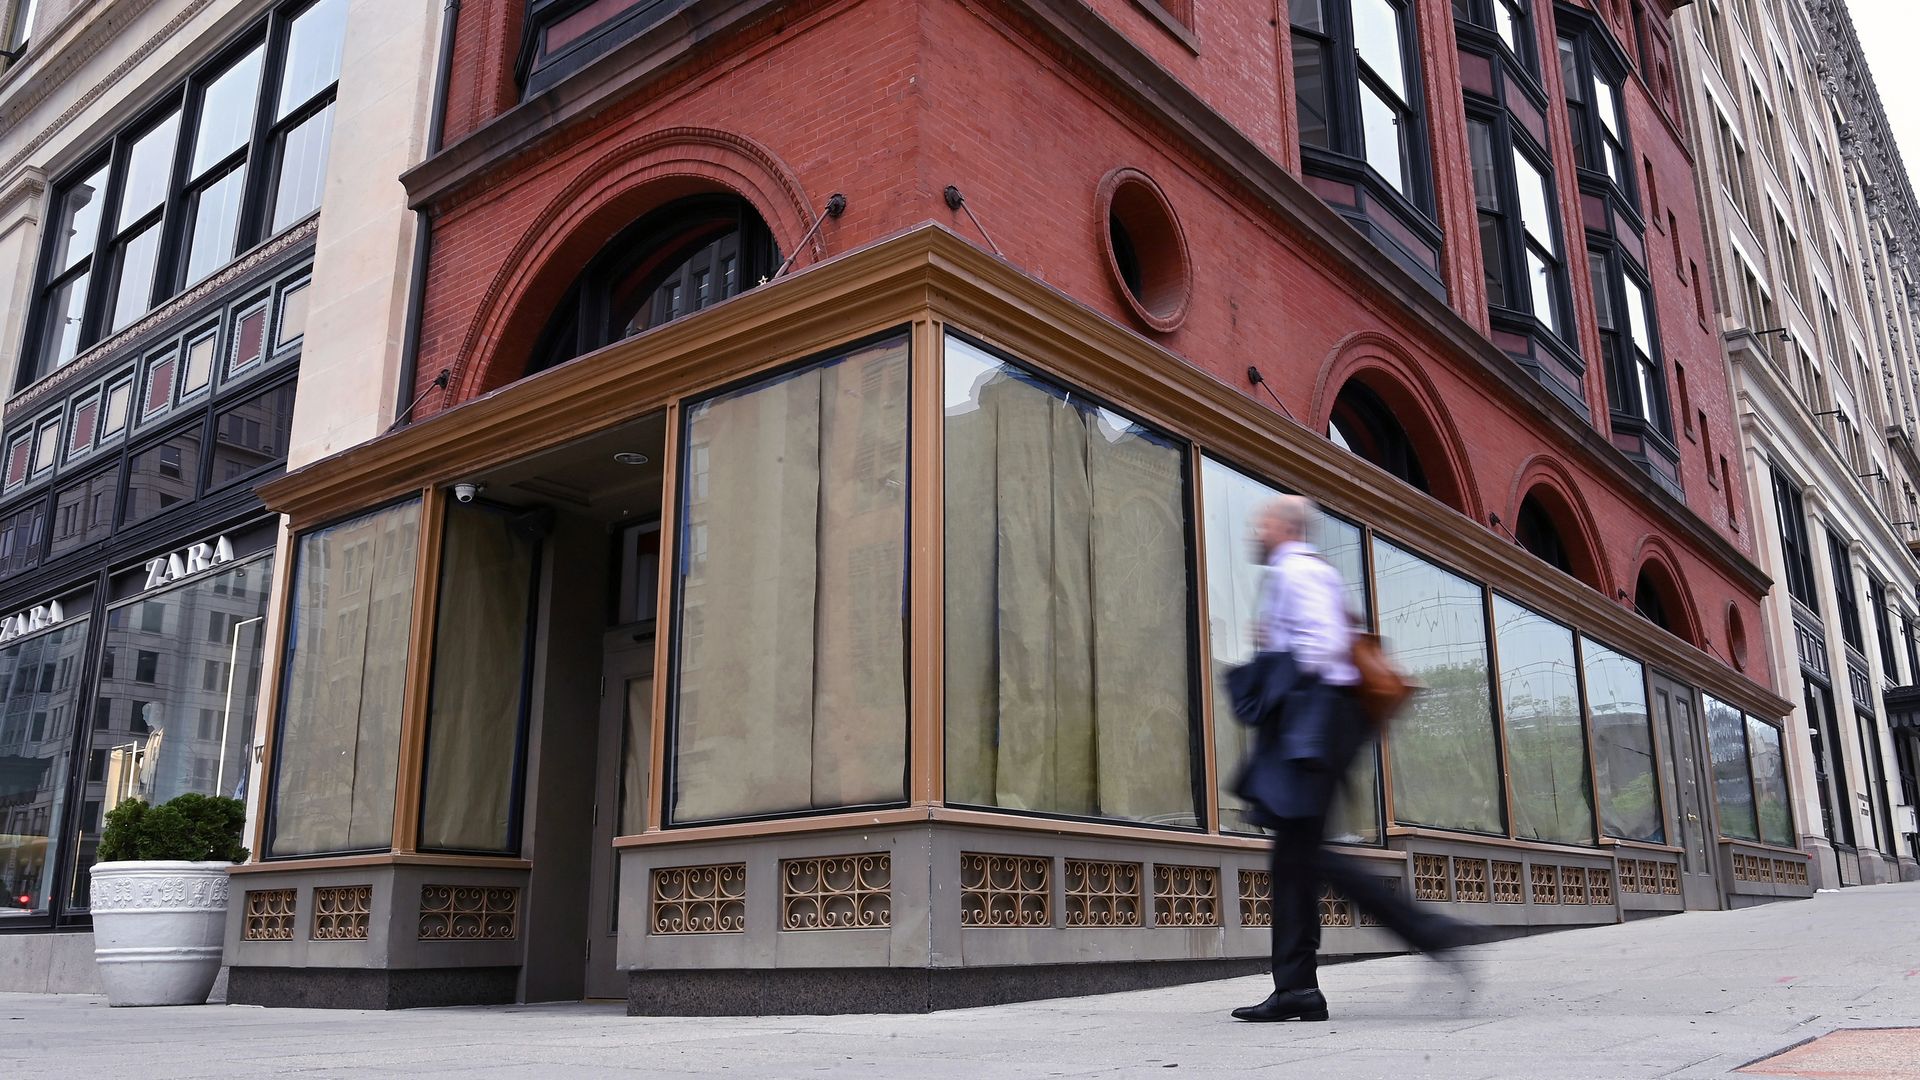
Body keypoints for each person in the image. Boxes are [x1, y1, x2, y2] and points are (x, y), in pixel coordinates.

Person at [1229, 495, 1469, 1023]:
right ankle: (1297, 988)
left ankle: (1430, 931)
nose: (1256, 529)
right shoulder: (1298, 573)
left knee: (1306, 853)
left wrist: (1273, 663)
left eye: (1263, 521)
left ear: (1285, 528)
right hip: (1318, 721)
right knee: (1294, 859)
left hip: (1314, 722)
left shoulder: (1297, 572)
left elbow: (1323, 646)